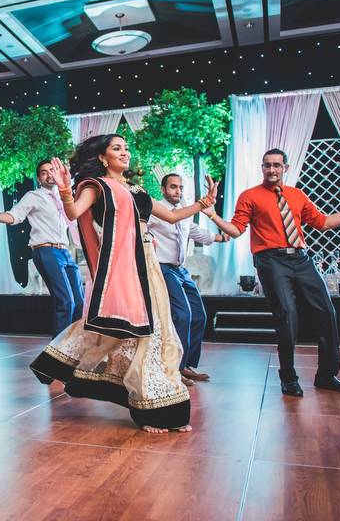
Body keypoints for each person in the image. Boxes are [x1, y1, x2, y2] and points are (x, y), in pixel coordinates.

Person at [29, 134, 218, 433]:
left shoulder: (137, 189)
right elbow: (74, 212)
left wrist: (202, 203)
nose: (125, 153)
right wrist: (65, 189)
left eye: (126, 148)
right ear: (103, 157)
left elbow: (170, 215)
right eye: (117, 148)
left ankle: (162, 404)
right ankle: (148, 408)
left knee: (157, 332)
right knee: (136, 331)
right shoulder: (97, 186)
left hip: (149, 265)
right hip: (123, 266)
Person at [202, 148, 340, 397]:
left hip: (301, 259)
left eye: (276, 165)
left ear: (286, 168)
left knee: (327, 312)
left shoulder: (297, 195)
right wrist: (213, 216)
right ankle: (288, 378)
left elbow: (324, 223)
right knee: (288, 314)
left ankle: (326, 375)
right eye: (267, 165)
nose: (272, 169)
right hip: (270, 260)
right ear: (262, 168)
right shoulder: (249, 196)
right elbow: (236, 230)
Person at [0, 159, 84, 336]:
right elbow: (13, 217)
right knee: (65, 301)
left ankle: (73, 344)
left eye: (51, 170)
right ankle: (58, 352)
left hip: (65, 252)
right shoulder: (34, 196)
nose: (49, 175)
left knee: (79, 301)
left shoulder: (65, 197)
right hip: (46, 250)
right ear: (39, 179)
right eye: (43, 173)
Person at [147, 174, 229, 385]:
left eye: (181, 187)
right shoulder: (155, 210)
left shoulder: (184, 213)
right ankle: (174, 369)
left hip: (181, 270)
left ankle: (187, 365)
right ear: (163, 189)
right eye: (173, 187)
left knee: (199, 315)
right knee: (183, 315)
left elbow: (194, 232)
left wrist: (220, 237)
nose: (178, 191)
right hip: (162, 267)